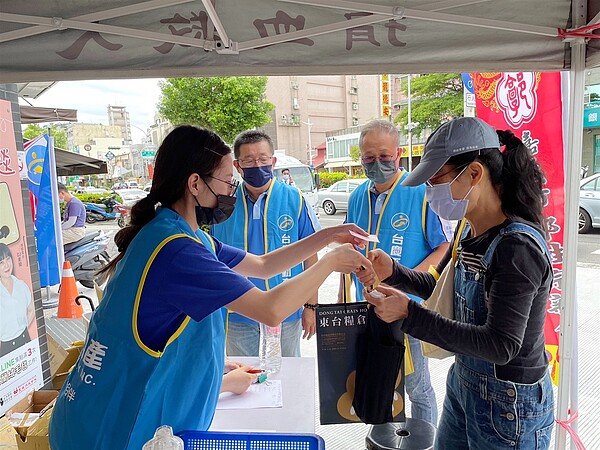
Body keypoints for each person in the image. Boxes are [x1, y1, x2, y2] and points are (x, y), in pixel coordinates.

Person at [49, 125, 372, 450]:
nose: (233, 189)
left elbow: (262, 265)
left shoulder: (181, 233)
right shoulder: (178, 251)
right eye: (228, 180)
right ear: (195, 183)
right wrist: (330, 262)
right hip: (109, 430)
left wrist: (329, 236)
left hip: (96, 410)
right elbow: (270, 310)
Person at [359, 117, 554, 449]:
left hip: (509, 406)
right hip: (465, 383)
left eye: (436, 179)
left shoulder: (516, 247)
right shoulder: (468, 229)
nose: (431, 191)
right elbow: (439, 287)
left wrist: (408, 314)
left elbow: (500, 346)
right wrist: (393, 271)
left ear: (475, 173)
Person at [343, 119, 449, 425]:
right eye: (369, 158)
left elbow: (443, 248)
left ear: (399, 155)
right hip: (367, 308)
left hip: (407, 309)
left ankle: (426, 440)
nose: (377, 163)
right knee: (379, 378)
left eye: (384, 157)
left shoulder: (420, 193)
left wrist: (406, 283)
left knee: (416, 385)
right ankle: (385, 438)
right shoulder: (356, 196)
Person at [211, 130, 320, 357]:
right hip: (238, 311)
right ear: (237, 165)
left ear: (273, 162)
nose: (257, 165)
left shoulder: (295, 199)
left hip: (286, 309)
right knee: (246, 380)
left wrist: (311, 307)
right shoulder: (223, 204)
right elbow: (213, 259)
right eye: (248, 161)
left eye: (262, 159)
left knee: (287, 376)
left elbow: (311, 256)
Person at [0, 243, 35, 357]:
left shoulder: (21, 285)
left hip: (25, 338)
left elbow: (31, 309)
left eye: (8, 259)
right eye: (1, 262)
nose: (7, 265)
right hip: (6, 345)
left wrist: (24, 327)